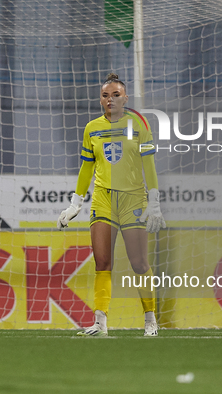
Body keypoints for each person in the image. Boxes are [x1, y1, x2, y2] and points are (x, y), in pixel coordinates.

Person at [57, 73, 165, 337]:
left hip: (133, 200)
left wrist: (154, 201)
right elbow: (86, 167)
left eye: (116, 95)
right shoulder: (91, 128)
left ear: (125, 98)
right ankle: (100, 322)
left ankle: (150, 319)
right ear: (100, 99)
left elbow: (148, 164)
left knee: (139, 263)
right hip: (103, 199)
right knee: (102, 262)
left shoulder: (138, 124)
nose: (110, 99)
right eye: (106, 95)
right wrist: (75, 203)